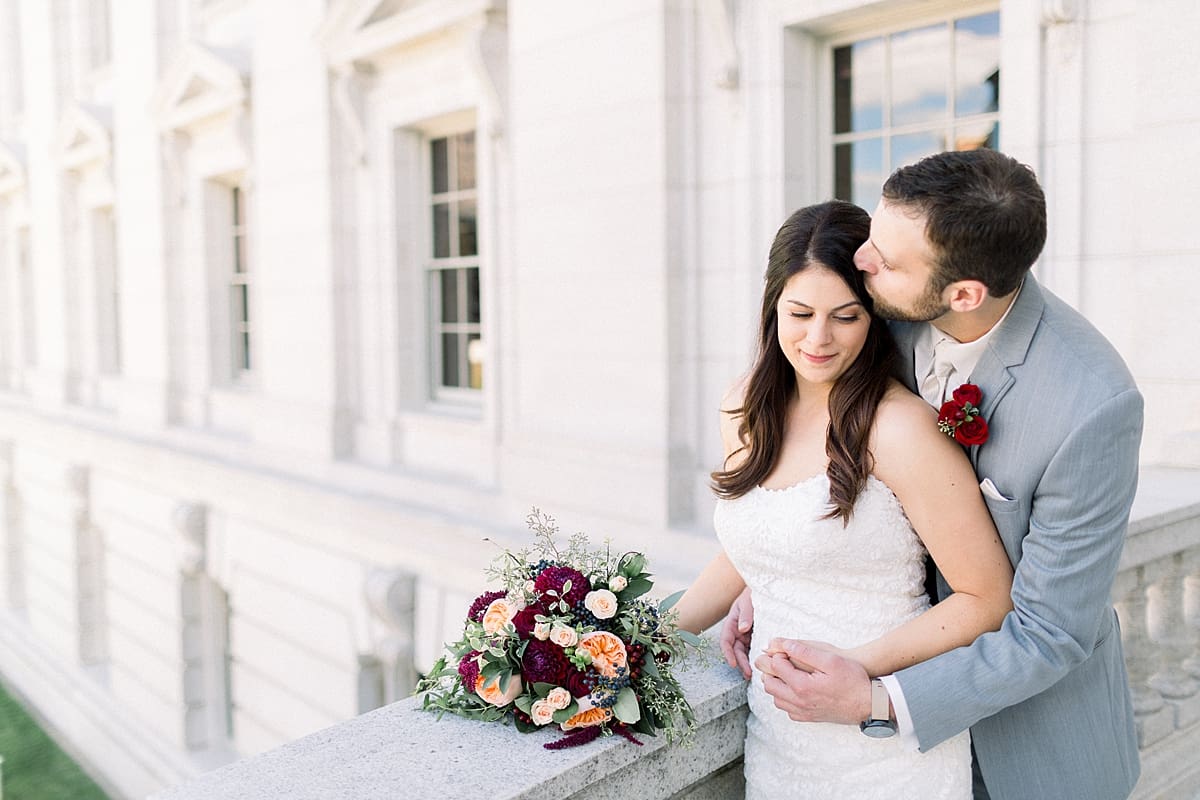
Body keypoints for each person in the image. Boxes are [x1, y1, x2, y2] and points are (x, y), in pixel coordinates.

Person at [722, 150, 1143, 800]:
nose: (861, 262)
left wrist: (871, 692)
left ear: (962, 294)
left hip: (1028, 748)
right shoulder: (887, 310)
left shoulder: (1092, 405)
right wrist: (784, 570)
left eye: (884, 260)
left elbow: (1051, 630)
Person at [674, 199, 1015, 799]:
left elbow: (987, 597)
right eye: (800, 312)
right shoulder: (743, 409)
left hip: (886, 739)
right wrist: (629, 637)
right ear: (772, 305)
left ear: (876, 316)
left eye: (847, 316)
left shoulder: (901, 428)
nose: (818, 338)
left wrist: (855, 671)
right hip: (780, 740)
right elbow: (758, 543)